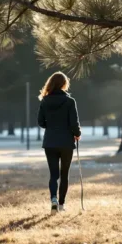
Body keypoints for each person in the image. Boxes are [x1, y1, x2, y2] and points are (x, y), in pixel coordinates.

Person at [37, 72, 82, 214]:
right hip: (66, 142)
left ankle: (53, 200)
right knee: (64, 174)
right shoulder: (70, 101)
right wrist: (77, 134)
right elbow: (74, 123)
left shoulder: (44, 101)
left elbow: (40, 122)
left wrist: (51, 127)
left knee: (53, 175)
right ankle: (61, 204)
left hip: (50, 141)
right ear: (64, 84)